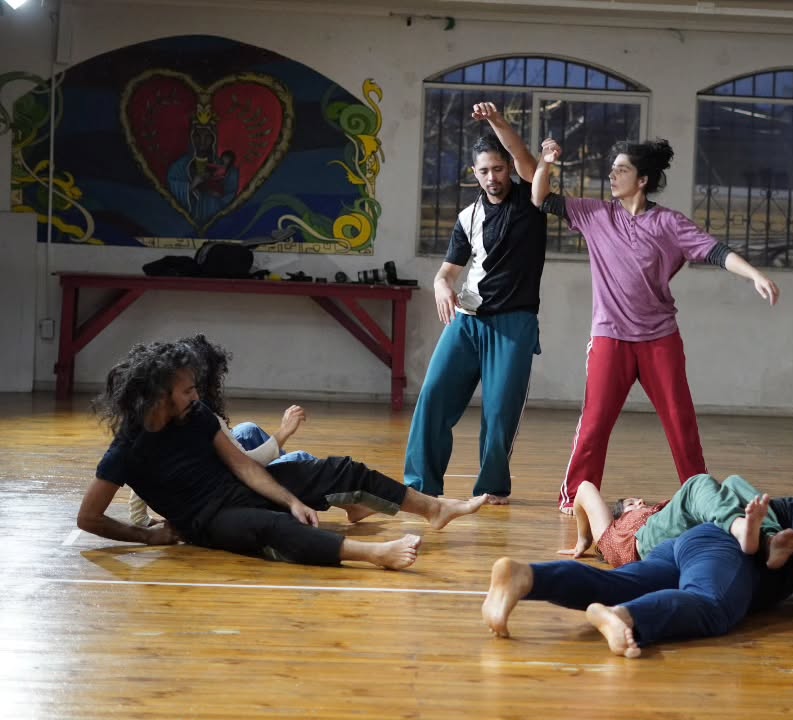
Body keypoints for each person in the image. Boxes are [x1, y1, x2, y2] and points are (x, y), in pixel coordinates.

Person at [79, 340, 490, 570]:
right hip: (209, 522)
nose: (196, 395)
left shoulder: (197, 415)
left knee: (339, 470)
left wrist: (293, 499)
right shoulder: (127, 450)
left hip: (241, 489)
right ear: (159, 397)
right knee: (273, 528)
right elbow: (89, 518)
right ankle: (375, 555)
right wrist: (148, 536)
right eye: (187, 390)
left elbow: (242, 465)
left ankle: (433, 508)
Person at [532, 138, 781, 514]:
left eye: (621, 170)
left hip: (659, 339)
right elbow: (541, 198)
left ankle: (701, 497)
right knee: (594, 423)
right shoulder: (595, 214)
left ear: (642, 179)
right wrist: (545, 162)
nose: (612, 176)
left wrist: (755, 275)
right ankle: (574, 496)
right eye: (612, 169)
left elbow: (716, 251)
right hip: (610, 337)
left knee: (681, 423)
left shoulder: (670, 223)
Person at [482, 494, 793, 658]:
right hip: (724, 551)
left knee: (618, 580)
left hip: (693, 545)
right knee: (714, 608)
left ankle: (525, 576)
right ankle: (624, 618)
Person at [404, 102, 547, 503]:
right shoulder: (468, 216)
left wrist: (497, 120)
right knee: (433, 397)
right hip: (467, 319)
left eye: (498, 169)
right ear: (474, 173)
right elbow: (446, 273)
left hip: (513, 324)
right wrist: (440, 286)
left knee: (499, 412)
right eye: (484, 171)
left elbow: (524, 157)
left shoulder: (531, 201)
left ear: (508, 168)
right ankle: (421, 485)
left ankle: (492, 487)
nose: (491, 177)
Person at [128, 334, 315, 527]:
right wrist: (284, 432)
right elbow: (246, 466)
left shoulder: (161, 418)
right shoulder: (200, 415)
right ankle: (312, 493)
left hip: (199, 490)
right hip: (219, 495)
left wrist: (139, 516)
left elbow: (146, 463)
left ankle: (292, 486)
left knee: (247, 431)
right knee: (302, 458)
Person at [562, 474, 793, 570]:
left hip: (686, 531)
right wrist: (585, 539)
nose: (641, 502)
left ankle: (770, 540)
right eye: (632, 503)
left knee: (733, 483)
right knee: (696, 483)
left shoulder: (664, 511)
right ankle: (741, 528)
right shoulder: (612, 534)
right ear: (619, 515)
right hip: (645, 542)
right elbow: (584, 488)